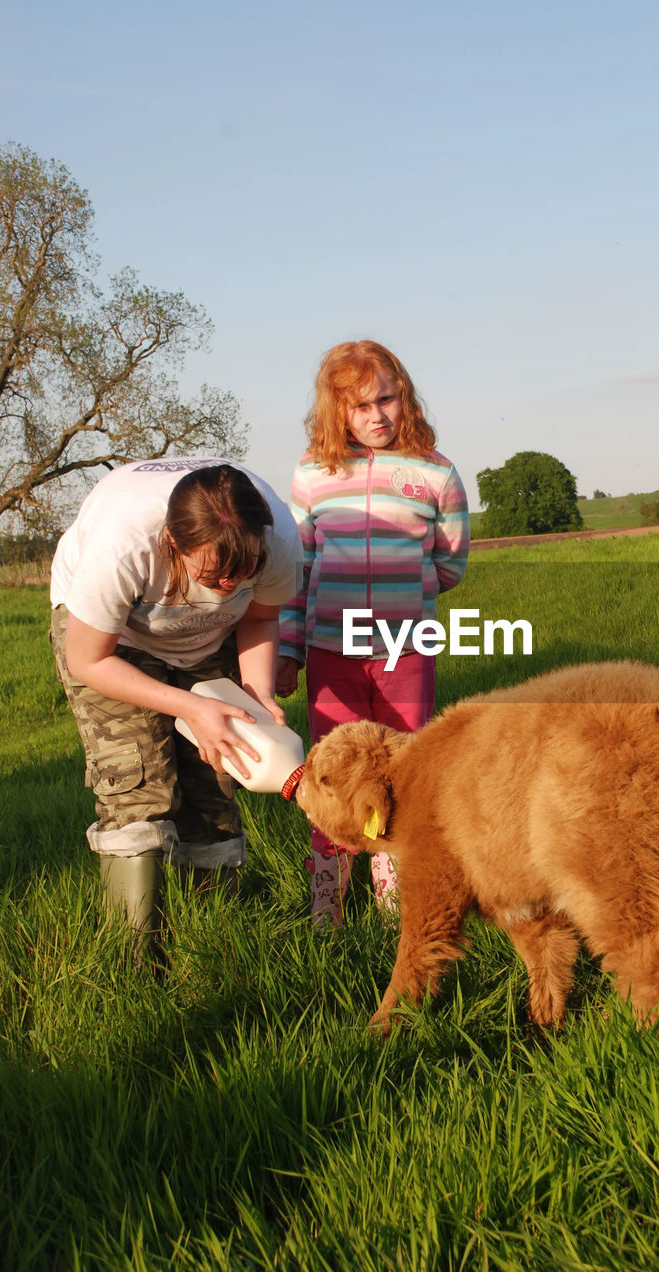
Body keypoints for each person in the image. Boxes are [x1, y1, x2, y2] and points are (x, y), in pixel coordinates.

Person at [50, 458, 303, 947]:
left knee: (217, 775)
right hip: (113, 643)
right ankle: (134, 958)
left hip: (209, 638)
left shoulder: (277, 539)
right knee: (138, 783)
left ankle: (211, 942)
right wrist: (187, 707)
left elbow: (257, 618)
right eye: (213, 574)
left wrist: (256, 693)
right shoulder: (123, 547)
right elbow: (87, 661)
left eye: (243, 571)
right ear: (172, 543)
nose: (230, 586)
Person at [276, 340, 469, 927]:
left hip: (405, 653)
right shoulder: (312, 473)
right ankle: (326, 908)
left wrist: (403, 592)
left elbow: (451, 563)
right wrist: (288, 649)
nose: (376, 416)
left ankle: (395, 909)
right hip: (330, 654)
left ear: (402, 396)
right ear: (338, 412)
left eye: (385, 399)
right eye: (359, 407)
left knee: (402, 775)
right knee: (334, 777)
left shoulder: (436, 472)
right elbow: (296, 570)